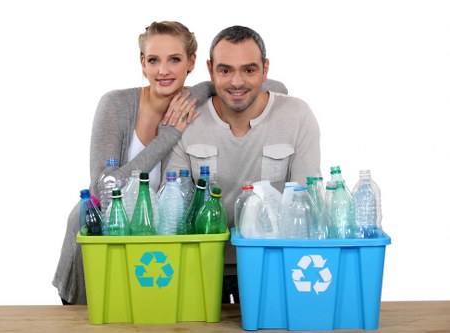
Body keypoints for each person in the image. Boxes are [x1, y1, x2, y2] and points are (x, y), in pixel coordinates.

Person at [53, 21, 288, 305]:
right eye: (153, 60)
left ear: (192, 62)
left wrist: (202, 89)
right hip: (102, 237)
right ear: (143, 62)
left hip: (155, 244)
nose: (163, 71)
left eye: (174, 60)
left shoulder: (194, 104)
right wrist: (168, 136)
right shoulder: (116, 105)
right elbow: (104, 190)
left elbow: (277, 87)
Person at [161, 25, 321, 303]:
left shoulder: (297, 115)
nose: (237, 82)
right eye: (225, 70)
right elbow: (173, 209)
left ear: (265, 69)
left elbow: (308, 204)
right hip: (203, 264)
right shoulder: (186, 119)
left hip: (275, 264)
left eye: (249, 70)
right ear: (210, 71)